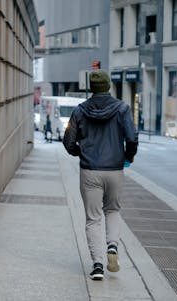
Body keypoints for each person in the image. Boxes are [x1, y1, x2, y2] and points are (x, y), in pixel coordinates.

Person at [63, 70, 138, 280]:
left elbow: (69, 141)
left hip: (90, 171)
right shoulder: (122, 109)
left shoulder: (79, 111)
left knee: (93, 219)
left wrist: (81, 153)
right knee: (112, 210)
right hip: (115, 170)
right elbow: (132, 138)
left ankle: (97, 266)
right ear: (108, 87)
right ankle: (112, 246)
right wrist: (128, 157)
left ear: (91, 88)